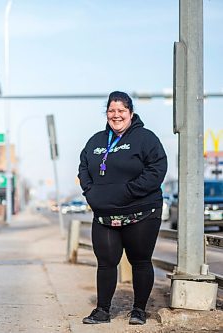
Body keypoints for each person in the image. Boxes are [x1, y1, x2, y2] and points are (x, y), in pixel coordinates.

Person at [78, 91, 167, 325]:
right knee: (106, 262)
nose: (116, 115)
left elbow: (157, 169)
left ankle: (138, 310)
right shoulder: (96, 140)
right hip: (105, 213)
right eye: (111, 111)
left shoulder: (146, 138)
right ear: (106, 113)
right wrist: (91, 192)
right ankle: (102, 310)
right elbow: (84, 166)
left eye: (121, 111)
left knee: (140, 260)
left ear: (130, 113)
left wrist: (128, 192)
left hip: (141, 211)